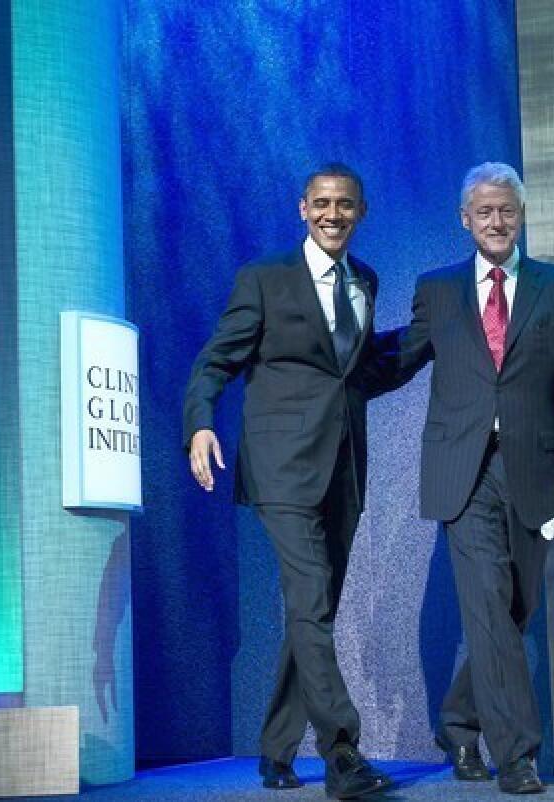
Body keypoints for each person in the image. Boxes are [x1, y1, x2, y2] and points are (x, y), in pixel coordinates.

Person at [384, 162, 554, 794]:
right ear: (465, 219)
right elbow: (398, 360)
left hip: (536, 472)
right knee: (485, 603)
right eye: (484, 212)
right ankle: (517, 755)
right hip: (465, 472)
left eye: (506, 210)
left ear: (521, 214)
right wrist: (328, 371)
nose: (496, 222)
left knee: (513, 610)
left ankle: (459, 722)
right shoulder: (439, 290)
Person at [182, 163, 394, 799]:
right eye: (322, 203)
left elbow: (354, 375)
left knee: (313, 612)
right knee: (310, 601)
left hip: (345, 469)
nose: (334, 214)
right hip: (280, 468)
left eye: (346, 205)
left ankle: (276, 748)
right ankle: (342, 754)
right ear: (303, 208)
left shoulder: (367, 281)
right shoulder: (264, 279)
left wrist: (437, 340)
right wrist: (199, 425)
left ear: (361, 212)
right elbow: (215, 361)